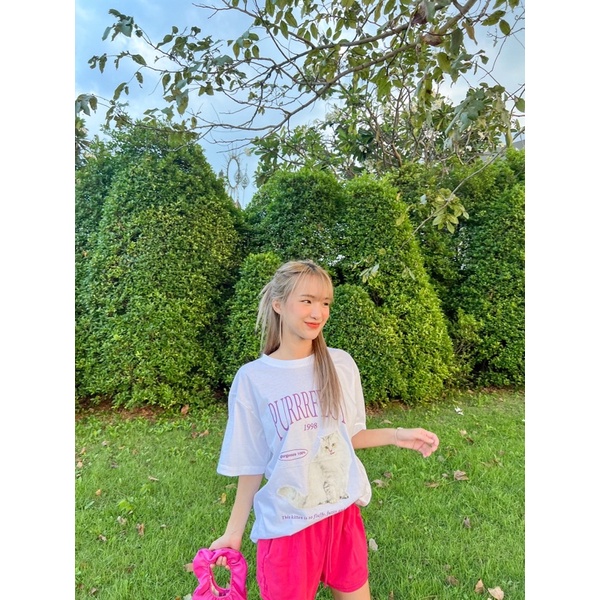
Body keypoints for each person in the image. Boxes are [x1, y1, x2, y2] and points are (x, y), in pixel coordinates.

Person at [209, 259, 439, 600]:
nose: (318, 312)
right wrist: (234, 531)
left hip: (342, 516)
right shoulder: (254, 378)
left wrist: (396, 435)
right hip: (288, 527)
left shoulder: (340, 364)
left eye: (325, 303)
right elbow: (251, 462)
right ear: (278, 304)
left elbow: (349, 437)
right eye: (307, 301)